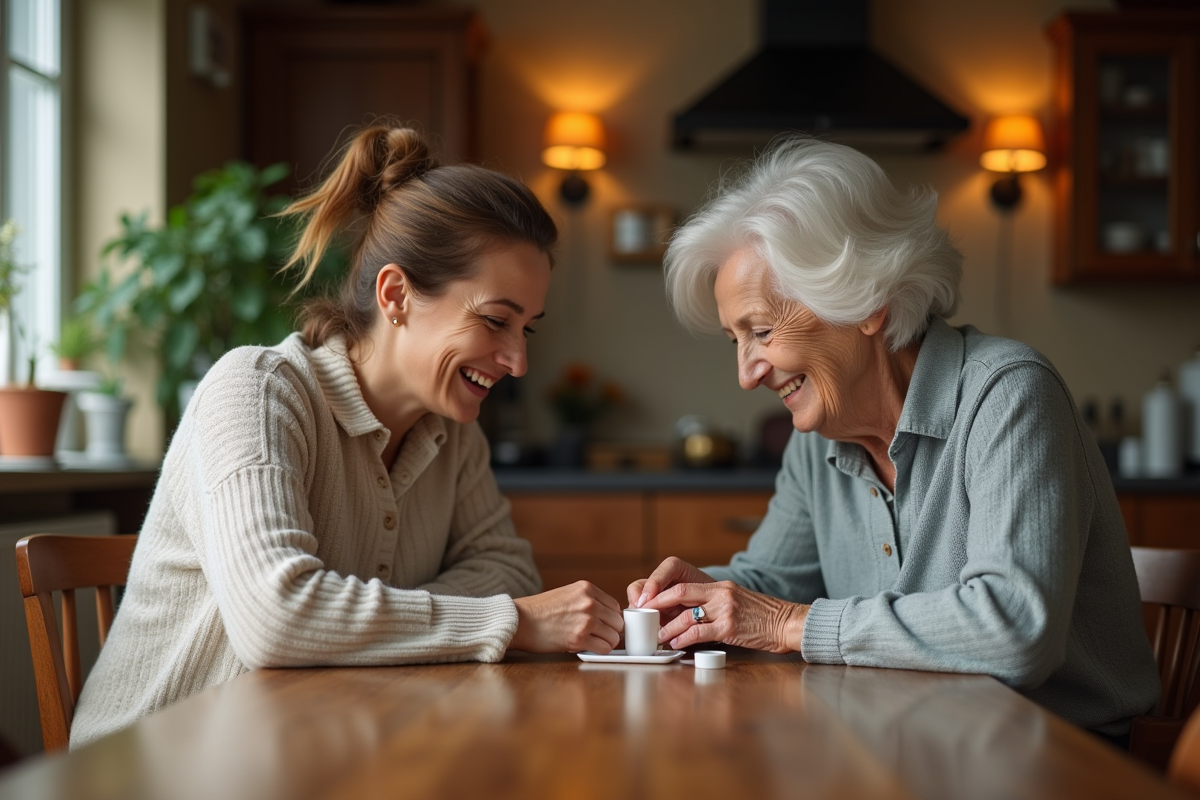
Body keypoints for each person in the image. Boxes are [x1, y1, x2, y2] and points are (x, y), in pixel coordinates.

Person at [70, 124, 623, 748]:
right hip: (152, 771)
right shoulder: (256, 391)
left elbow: (508, 568)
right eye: (496, 321)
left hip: (311, 752)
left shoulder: (453, 435)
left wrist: (350, 614)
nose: (518, 362)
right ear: (396, 295)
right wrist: (508, 622)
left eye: (528, 330)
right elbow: (276, 618)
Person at [630, 136, 1159, 741]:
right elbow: (773, 587)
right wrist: (688, 605)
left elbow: (1015, 630)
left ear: (867, 301)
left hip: (1060, 757)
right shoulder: (820, 438)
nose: (747, 374)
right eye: (736, 341)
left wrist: (784, 624)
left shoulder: (1008, 394)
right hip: (910, 742)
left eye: (763, 331)